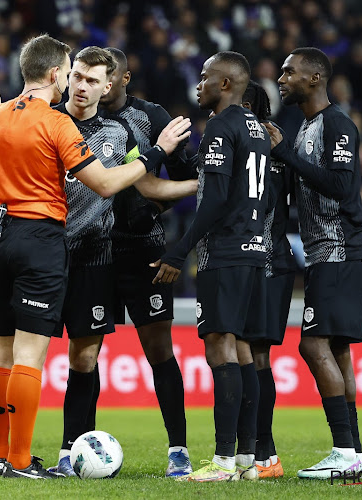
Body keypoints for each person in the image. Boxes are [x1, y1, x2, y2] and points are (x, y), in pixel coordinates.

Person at [0, 34, 191, 480]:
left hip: (80, 255)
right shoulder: (54, 121)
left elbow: (142, 186)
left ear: (108, 87)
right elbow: (105, 183)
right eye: (73, 74)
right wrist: (158, 152)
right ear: (58, 76)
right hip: (43, 247)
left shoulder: (116, 132)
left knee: (62, 356)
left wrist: (205, 187)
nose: (78, 84)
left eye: (89, 79)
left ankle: (63, 453)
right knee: (22, 355)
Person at [152, 51, 271, 482]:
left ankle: (222, 461)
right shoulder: (257, 127)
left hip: (227, 252)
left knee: (220, 348)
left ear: (225, 84)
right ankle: (248, 460)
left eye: (204, 77)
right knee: (242, 351)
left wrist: (180, 249)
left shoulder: (221, 126)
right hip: (257, 250)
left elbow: (216, 199)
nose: (198, 84)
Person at [264, 47, 362, 479]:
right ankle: (354, 454)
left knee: (312, 345)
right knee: (337, 349)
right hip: (324, 251)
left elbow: (342, 187)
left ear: (315, 78)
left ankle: (344, 453)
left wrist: (286, 154)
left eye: (290, 72)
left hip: (339, 248)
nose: (283, 78)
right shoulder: (307, 125)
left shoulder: (337, 124)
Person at [94, 46, 197, 478]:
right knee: (85, 350)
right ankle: (71, 448)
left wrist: (156, 207)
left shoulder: (151, 117)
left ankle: (179, 449)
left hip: (143, 247)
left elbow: (179, 173)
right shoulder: (75, 116)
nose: (97, 84)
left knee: (159, 350)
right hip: (93, 247)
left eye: (107, 75)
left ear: (122, 79)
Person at [240, 80, 298, 479]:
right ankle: (252, 451)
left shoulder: (269, 148)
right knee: (248, 353)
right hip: (254, 261)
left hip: (267, 262)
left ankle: (264, 452)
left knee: (255, 354)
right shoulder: (270, 149)